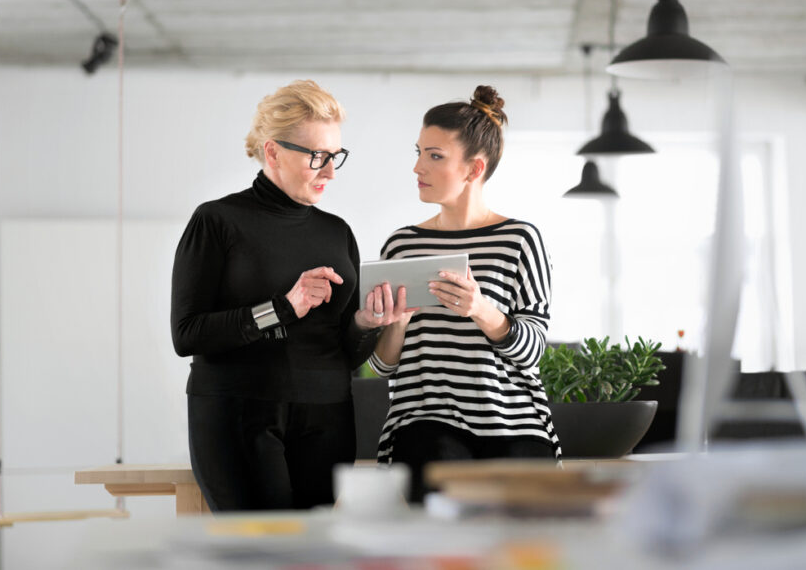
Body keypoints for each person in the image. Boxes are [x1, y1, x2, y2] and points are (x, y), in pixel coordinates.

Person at [170, 79, 392, 511]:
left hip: (329, 415)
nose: (330, 171)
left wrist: (367, 322)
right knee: (261, 553)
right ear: (272, 152)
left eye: (336, 156)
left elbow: (343, 353)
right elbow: (187, 334)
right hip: (239, 414)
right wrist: (282, 308)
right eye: (317, 157)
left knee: (313, 555)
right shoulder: (217, 221)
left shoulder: (337, 232)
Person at [368, 84, 560, 502]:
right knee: (436, 486)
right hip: (424, 420)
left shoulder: (519, 240)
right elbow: (382, 367)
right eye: (418, 152)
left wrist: (481, 310)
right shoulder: (402, 246)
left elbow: (534, 351)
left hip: (514, 423)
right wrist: (396, 324)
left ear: (474, 169)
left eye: (435, 156)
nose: (418, 167)